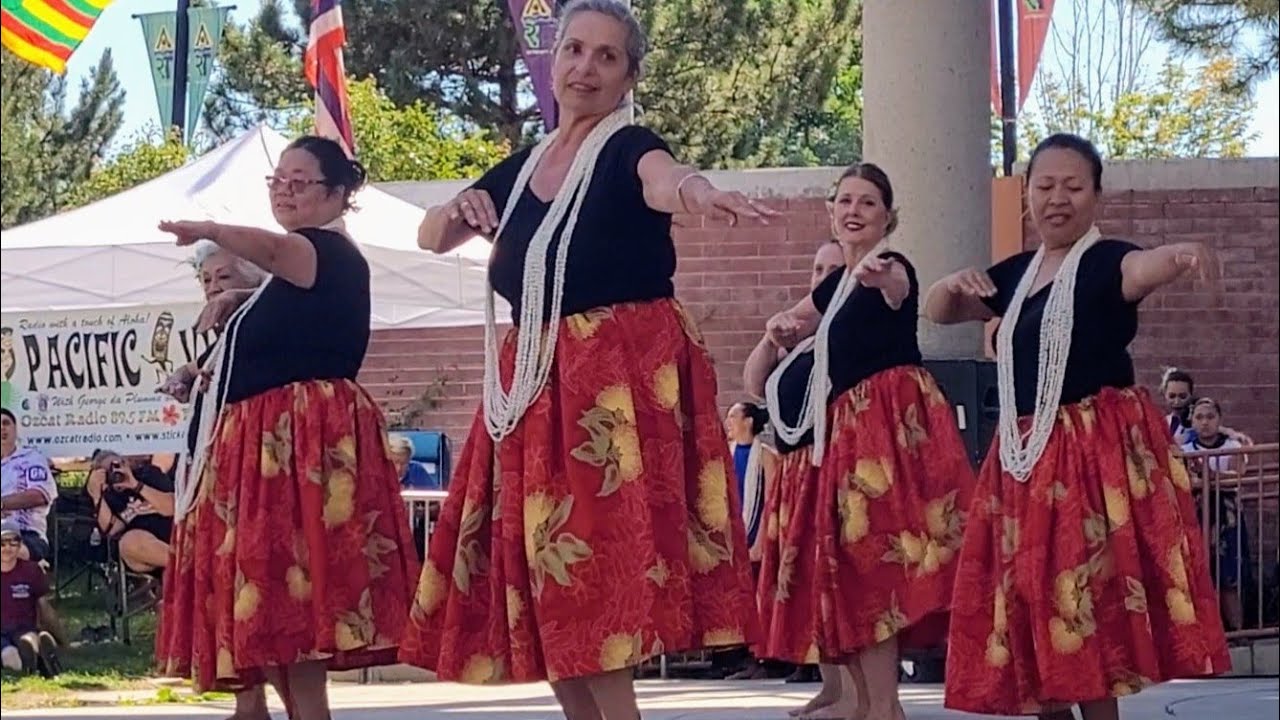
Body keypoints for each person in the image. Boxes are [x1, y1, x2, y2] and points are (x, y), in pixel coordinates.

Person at [399, 1, 769, 716]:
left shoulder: (632, 148)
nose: (586, 68)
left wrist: (698, 193)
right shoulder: (526, 164)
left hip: (610, 394)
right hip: (534, 390)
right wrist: (455, 210)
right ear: (554, 60)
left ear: (629, 75)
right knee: (551, 581)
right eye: (575, 50)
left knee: (596, 577)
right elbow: (429, 235)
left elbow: (667, 180)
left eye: (606, 56)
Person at [925, 133, 1231, 719]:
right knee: (1038, 621)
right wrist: (949, 285)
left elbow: (1142, 269)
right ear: (1026, 196)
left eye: (1073, 186)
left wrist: (1183, 253)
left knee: (1081, 614)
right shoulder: (1016, 276)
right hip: (1022, 464)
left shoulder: (1106, 260)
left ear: (1096, 196)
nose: (1057, 198)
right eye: (1044, 186)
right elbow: (942, 312)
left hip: (1087, 465)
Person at [154, 135, 420, 720]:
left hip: (297, 443)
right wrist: (241, 299)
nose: (285, 192)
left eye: (300, 183)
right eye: (278, 182)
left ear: (338, 194)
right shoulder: (290, 272)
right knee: (269, 603)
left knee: (288, 599)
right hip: (266, 445)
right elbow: (287, 296)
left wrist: (210, 228)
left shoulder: (321, 249)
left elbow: (279, 253)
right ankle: (269, 711)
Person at [760, 163, 977, 720]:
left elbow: (900, 289)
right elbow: (796, 320)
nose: (854, 210)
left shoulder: (891, 266)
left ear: (887, 216)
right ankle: (870, 706)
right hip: (844, 438)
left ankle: (883, 708)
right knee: (852, 572)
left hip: (885, 433)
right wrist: (781, 328)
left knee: (876, 567)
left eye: (868, 203)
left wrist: (885, 280)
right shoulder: (834, 285)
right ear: (832, 210)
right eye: (845, 201)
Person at [158, 241, 280, 720]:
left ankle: (279, 705)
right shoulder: (223, 338)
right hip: (210, 474)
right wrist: (190, 375)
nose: (213, 289)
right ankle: (247, 703)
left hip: (252, 479)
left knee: (255, 591)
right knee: (221, 592)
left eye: (223, 277)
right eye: (206, 280)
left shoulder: (268, 320)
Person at [747, 238, 859, 716]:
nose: (822, 278)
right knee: (810, 584)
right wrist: (773, 339)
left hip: (829, 462)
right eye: (817, 269)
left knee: (837, 582)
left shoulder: (850, 329)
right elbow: (753, 386)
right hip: (794, 470)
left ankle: (857, 697)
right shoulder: (799, 339)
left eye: (833, 270)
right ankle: (832, 687)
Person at [717, 401, 779, 681]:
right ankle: (738, 658)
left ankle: (763, 657)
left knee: (760, 597)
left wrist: (761, 541)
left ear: (749, 422)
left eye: (733, 415)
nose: (728, 421)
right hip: (735, 536)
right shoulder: (726, 456)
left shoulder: (766, 456)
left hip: (757, 536)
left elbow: (771, 501)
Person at [85, 451, 174, 575]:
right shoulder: (110, 497)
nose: (117, 471)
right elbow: (113, 530)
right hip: (143, 552)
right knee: (128, 542)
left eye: (119, 464)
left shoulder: (149, 474)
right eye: (109, 471)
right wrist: (97, 495)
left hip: (172, 535)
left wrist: (136, 485)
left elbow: (171, 508)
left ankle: (187, 565)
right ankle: (185, 564)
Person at [1, 521, 63, 677]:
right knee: (10, 655)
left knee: (29, 639)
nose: (7, 548)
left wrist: (61, 638)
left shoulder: (32, 570)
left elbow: (44, 607)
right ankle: (34, 665)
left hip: (24, 628)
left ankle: (42, 653)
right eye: (2, 543)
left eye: (13, 542)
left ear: (20, 545)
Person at [0, 409, 56, 563]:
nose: (2, 428)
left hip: (26, 534)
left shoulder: (31, 458)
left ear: (15, 429)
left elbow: (39, 495)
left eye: (6, 423)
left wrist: (2, 504)